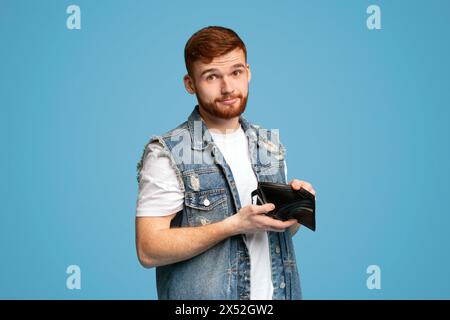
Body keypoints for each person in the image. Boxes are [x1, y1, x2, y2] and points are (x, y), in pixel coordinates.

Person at [135, 26, 316, 300]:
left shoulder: (267, 145)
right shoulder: (169, 152)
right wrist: (233, 225)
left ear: (248, 72)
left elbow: (278, 233)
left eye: (236, 72)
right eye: (211, 77)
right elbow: (148, 249)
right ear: (190, 84)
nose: (228, 87)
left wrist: (296, 209)